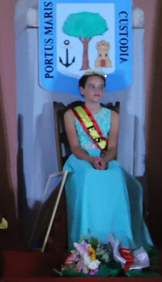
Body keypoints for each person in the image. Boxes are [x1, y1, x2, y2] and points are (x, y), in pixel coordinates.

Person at [63, 73, 152, 251]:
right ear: (82, 90)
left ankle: (119, 238)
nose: (97, 91)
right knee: (89, 176)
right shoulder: (71, 115)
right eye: (92, 86)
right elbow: (74, 146)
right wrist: (91, 159)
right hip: (81, 159)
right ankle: (87, 240)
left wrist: (103, 160)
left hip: (105, 158)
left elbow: (112, 148)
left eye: (101, 87)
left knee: (116, 175)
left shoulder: (113, 116)